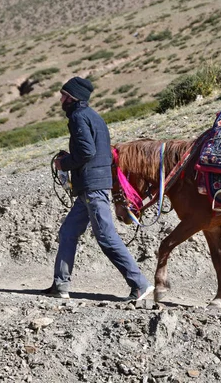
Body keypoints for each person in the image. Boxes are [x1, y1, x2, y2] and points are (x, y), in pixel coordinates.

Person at [44, 76, 154, 301]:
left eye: (64, 95)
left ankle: (140, 284)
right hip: (90, 188)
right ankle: (60, 285)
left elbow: (86, 151)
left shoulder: (78, 117)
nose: (61, 99)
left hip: (92, 188)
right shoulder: (93, 116)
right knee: (68, 232)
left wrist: (63, 163)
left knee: (106, 236)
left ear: (72, 97)